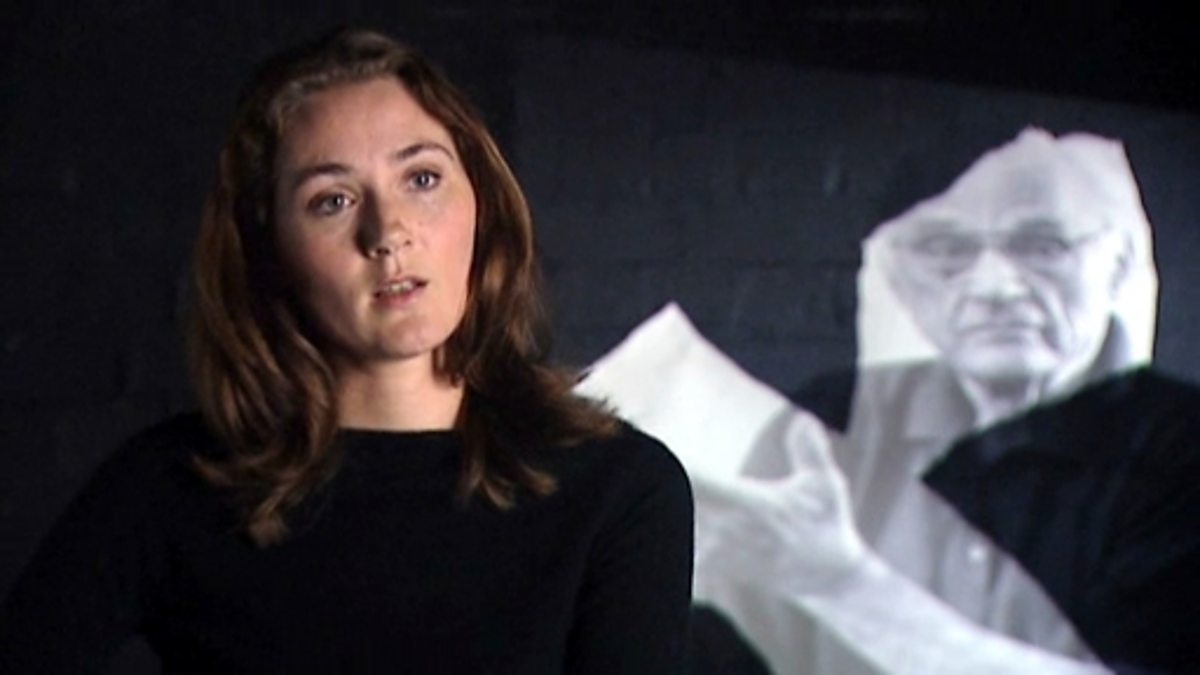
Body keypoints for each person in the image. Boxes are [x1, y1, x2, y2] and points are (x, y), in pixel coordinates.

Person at [0, 28, 693, 674]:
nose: (388, 232)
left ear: (481, 204)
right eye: (332, 200)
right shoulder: (169, 489)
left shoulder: (621, 491)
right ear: (270, 249)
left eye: (422, 179)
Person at [580, 129, 1196, 674]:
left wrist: (842, 583)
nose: (994, 286)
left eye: (1043, 245)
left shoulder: (1182, 448)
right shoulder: (831, 416)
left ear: (1117, 262)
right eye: (946, 250)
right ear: (899, 273)